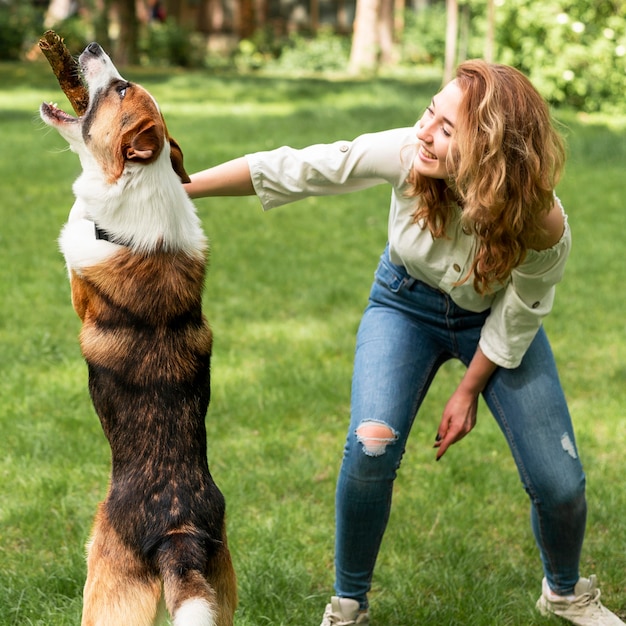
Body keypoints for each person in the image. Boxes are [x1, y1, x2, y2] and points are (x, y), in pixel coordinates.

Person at [184, 60, 624, 626]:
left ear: (490, 150)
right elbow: (299, 169)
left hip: (491, 321)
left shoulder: (540, 222)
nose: (424, 131)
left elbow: (520, 314)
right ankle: (348, 606)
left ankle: (564, 592)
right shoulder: (407, 152)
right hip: (403, 304)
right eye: (429, 112)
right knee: (371, 446)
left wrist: (467, 393)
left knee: (559, 481)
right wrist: (184, 185)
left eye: (447, 129)